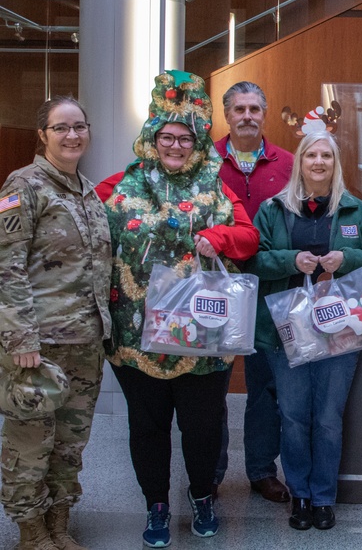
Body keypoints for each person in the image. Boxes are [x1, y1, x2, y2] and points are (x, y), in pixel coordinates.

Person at [98, 71, 259, 548]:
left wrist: (218, 235)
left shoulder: (216, 183)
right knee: (147, 427)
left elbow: (249, 237)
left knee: (203, 427)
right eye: (166, 137)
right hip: (135, 335)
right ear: (152, 137)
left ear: (197, 140)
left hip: (203, 334)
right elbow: (83, 231)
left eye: (184, 138)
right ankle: (157, 505)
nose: (175, 145)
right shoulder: (120, 183)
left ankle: (203, 496)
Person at [246, 131, 362, 531]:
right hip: (286, 332)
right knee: (293, 416)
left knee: (328, 418)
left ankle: (324, 497)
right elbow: (253, 260)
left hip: (341, 331)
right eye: (310, 154)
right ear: (299, 162)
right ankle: (302, 496)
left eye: (326, 155)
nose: (318, 161)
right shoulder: (272, 210)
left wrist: (347, 258)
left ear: (335, 163)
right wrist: (291, 260)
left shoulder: (359, 213)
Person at [0, 97, 111, 550]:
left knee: (70, 444)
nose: (72, 135)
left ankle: (59, 526)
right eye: (61, 127)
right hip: (39, 344)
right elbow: (8, 266)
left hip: (85, 341)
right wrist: (21, 336)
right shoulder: (22, 186)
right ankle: (31, 532)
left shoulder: (87, 190)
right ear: (42, 134)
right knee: (31, 443)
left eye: (79, 126)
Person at [212, 81, 294, 504]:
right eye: (239, 108)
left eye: (254, 108)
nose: (247, 115)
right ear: (226, 115)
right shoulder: (205, 162)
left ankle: (262, 470)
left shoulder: (290, 164)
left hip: (270, 292)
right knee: (213, 384)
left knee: (266, 387)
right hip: (217, 290)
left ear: (265, 114)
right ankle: (212, 472)